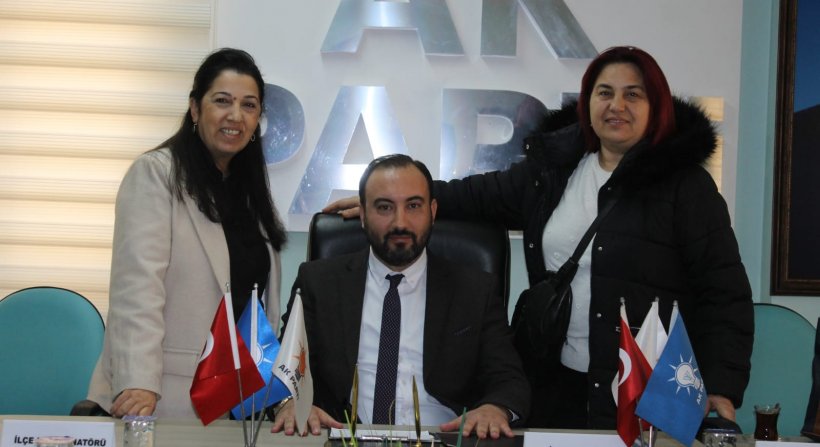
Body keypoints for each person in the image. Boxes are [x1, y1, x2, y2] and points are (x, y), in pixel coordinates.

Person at [325, 46, 754, 429]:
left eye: (633, 94)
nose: (616, 105)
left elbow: (725, 293)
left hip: (646, 390)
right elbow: (478, 194)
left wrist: (722, 386)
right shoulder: (553, 172)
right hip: (555, 383)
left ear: (655, 106)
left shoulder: (687, 188)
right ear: (587, 103)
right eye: (604, 93)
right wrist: (397, 200)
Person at [86, 48, 287, 419]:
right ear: (195, 109)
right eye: (222, 101)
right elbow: (137, 288)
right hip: (165, 393)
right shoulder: (156, 174)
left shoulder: (250, 192)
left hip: (239, 400)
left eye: (249, 105)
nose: (235, 115)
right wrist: (138, 381)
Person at [273, 154, 530, 438]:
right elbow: (285, 370)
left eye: (413, 206)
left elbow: (509, 380)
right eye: (384, 207)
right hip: (346, 438)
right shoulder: (318, 282)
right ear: (363, 214)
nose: (400, 222)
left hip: (442, 439)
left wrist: (496, 408)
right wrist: (288, 404)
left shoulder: (474, 290)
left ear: (432, 211)